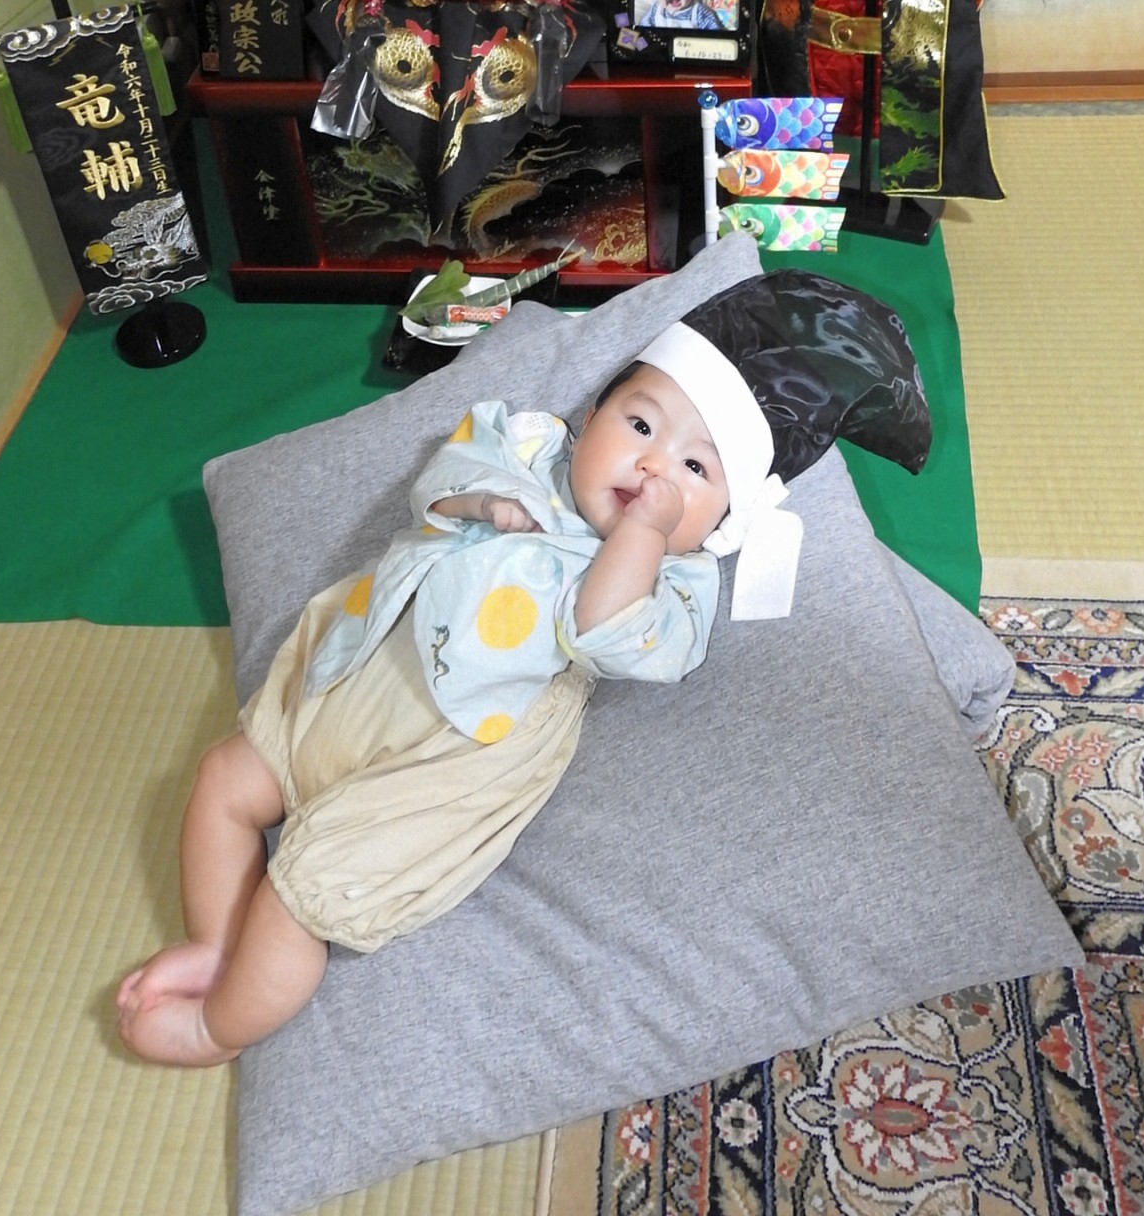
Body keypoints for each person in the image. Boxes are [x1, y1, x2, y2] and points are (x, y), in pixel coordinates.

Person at [116, 271, 931, 1067]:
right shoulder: (533, 445)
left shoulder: (678, 584)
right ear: (593, 414)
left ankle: (218, 1027)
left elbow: (602, 628)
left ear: (722, 523)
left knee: (301, 897)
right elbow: (442, 480)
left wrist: (642, 537)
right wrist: (483, 502)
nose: (653, 468)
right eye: (640, 425)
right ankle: (214, 945)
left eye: (695, 470)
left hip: (455, 756)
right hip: (361, 669)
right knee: (224, 780)